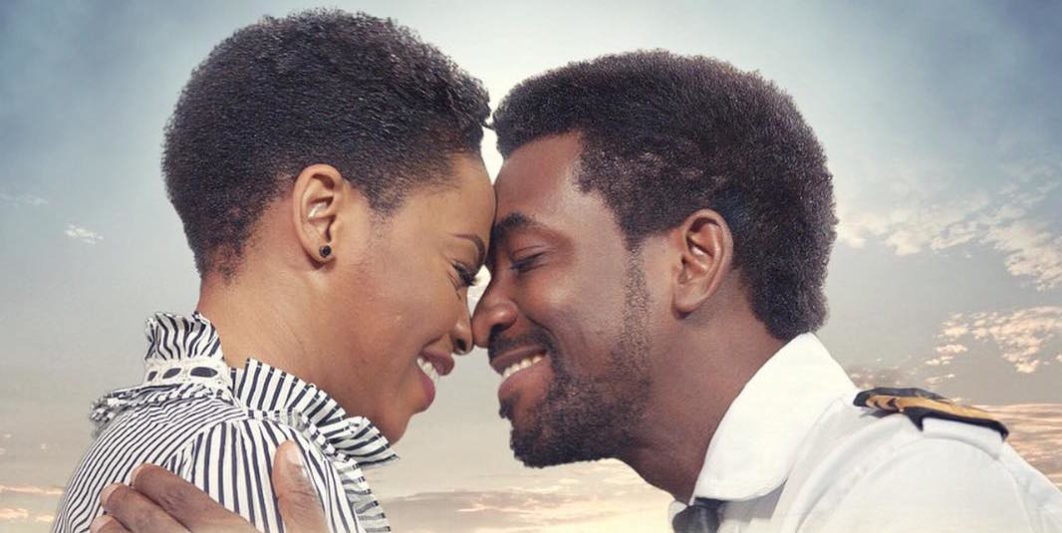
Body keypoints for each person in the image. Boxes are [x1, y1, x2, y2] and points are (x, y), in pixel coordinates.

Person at [92, 52, 1062, 532]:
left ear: (694, 258)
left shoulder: (916, 494)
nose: (483, 315)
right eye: (473, 268)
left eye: (524, 257)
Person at [54, 9, 494, 533]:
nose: (468, 331)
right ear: (323, 218)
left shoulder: (138, 433)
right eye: (461, 271)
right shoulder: (257, 456)